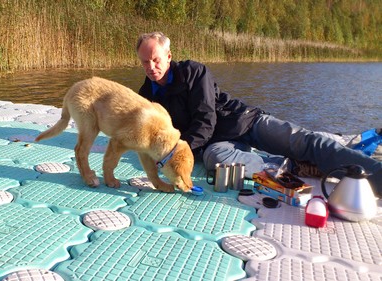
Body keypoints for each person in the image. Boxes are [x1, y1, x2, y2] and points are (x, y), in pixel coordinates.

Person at [135, 31, 382, 196]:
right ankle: (295, 166)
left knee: (303, 141)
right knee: (216, 162)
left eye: (155, 59)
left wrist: (179, 149)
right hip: (215, 144)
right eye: (145, 62)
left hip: (244, 121)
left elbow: (205, 119)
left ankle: (376, 175)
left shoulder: (194, 72)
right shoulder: (146, 94)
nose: (151, 67)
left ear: (168, 56)